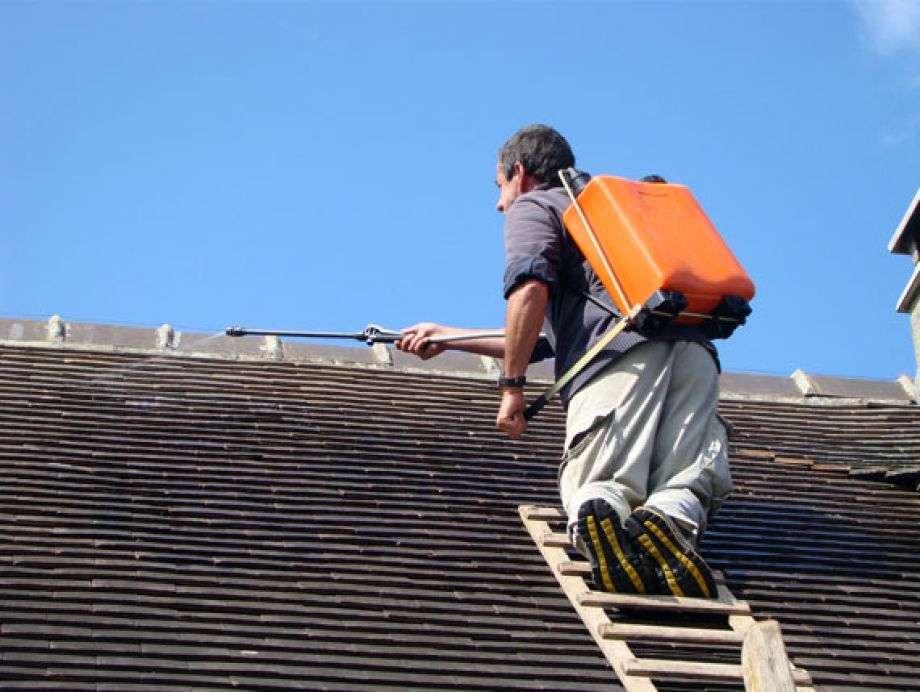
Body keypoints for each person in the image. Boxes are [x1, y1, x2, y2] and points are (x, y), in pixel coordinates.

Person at [397, 124, 732, 598]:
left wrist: (511, 388)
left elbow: (530, 290)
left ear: (519, 173)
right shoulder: (611, 220)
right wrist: (449, 338)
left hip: (620, 365)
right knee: (682, 482)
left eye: (499, 189)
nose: (499, 204)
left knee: (600, 483)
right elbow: (544, 336)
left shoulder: (537, 205)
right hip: (694, 354)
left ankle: (608, 525)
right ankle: (669, 528)